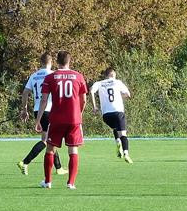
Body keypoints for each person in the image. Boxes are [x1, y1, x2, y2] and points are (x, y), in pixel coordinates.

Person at [35, 51, 87, 190]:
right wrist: (79, 114)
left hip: (56, 118)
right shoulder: (78, 76)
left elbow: (44, 100)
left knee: (50, 149)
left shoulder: (51, 77)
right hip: (73, 119)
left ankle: (48, 182)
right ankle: (71, 183)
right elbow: (84, 100)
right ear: (69, 61)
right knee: (73, 150)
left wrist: (38, 120)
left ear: (56, 61)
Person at [18, 53, 65, 177]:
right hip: (49, 110)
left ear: (41, 62)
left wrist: (24, 110)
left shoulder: (34, 76)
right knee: (46, 141)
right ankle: (25, 161)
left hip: (37, 110)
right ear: (51, 63)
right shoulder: (53, 75)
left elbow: (25, 93)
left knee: (50, 138)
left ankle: (59, 167)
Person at [90, 67, 133, 163]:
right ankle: (126, 153)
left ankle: (117, 142)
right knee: (123, 133)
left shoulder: (99, 83)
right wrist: (120, 96)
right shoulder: (117, 82)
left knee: (115, 128)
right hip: (118, 112)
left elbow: (91, 91)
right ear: (113, 75)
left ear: (105, 76)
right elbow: (128, 94)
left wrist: (94, 107)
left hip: (106, 115)